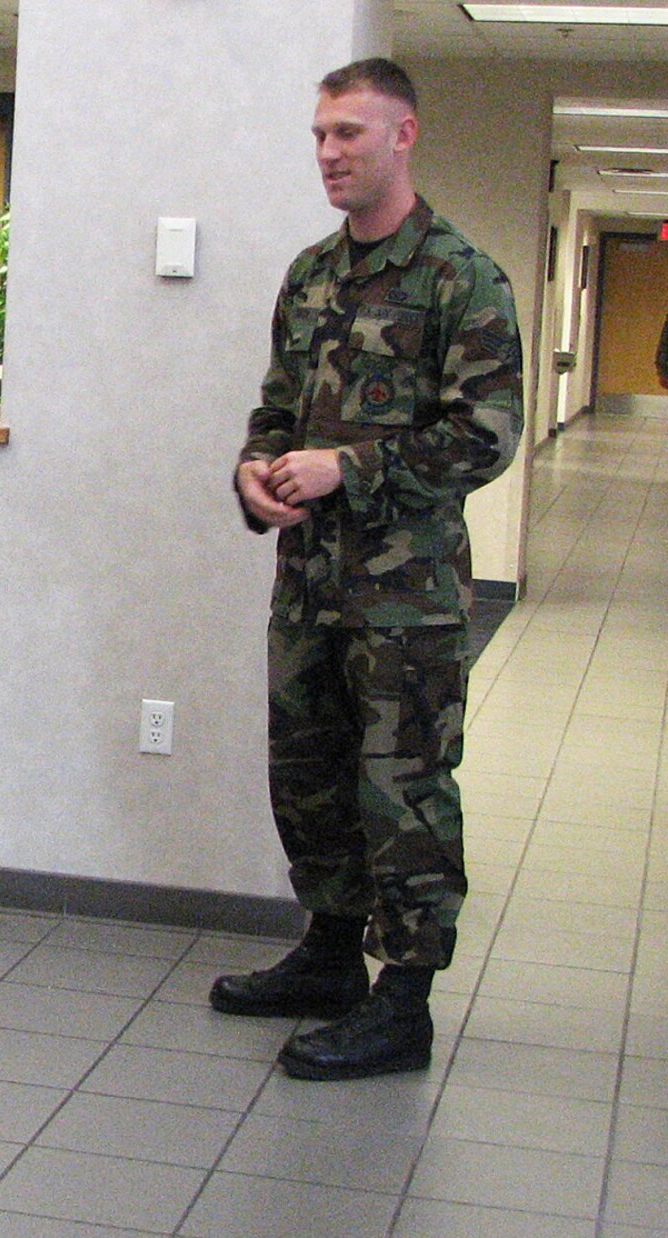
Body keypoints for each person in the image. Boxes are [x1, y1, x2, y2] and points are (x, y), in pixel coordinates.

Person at [215, 58, 522, 1081]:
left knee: (404, 793)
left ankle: (404, 1001)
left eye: (348, 132)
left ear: (403, 136)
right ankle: (329, 954)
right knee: (307, 777)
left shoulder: (460, 277)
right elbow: (274, 408)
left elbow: (485, 435)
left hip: (405, 602)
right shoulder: (310, 274)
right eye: (319, 134)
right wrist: (254, 471)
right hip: (308, 588)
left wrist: (348, 469)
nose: (328, 152)